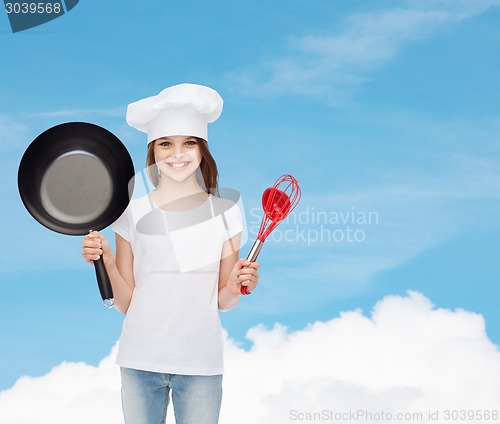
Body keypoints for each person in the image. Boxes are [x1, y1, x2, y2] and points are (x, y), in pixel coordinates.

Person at [81, 83, 260, 424]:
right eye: (166, 143)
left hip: (200, 362)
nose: (177, 154)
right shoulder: (130, 212)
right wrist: (103, 257)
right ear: (153, 149)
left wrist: (238, 284)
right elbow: (125, 302)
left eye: (188, 143)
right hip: (140, 359)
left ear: (202, 148)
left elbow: (224, 300)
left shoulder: (226, 212)